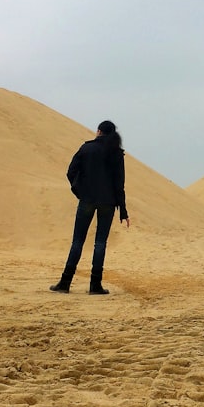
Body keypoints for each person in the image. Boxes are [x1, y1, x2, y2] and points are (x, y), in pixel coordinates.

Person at [50, 120, 130, 295]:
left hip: (87, 200)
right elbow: (119, 184)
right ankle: (95, 286)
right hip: (108, 203)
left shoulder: (87, 149)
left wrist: (80, 190)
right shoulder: (116, 153)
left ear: (99, 131)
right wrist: (123, 210)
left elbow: (71, 172)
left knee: (77, 241)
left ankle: (65, 283)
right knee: (100, 243)